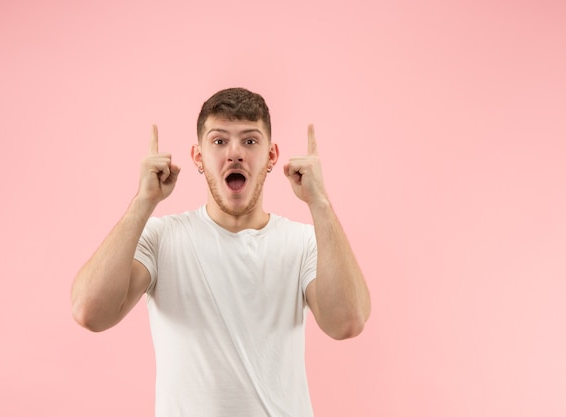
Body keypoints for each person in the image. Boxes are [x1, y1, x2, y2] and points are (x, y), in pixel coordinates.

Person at [71, 87, 371, 416]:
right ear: (198, 157)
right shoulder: (161, 238)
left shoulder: (305, 243)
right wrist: (143, 203)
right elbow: (89, 311)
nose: (235, 153)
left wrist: (320, 202)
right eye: (218, 141)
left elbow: (348, 322)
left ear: (271, 156)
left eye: (250, 140)